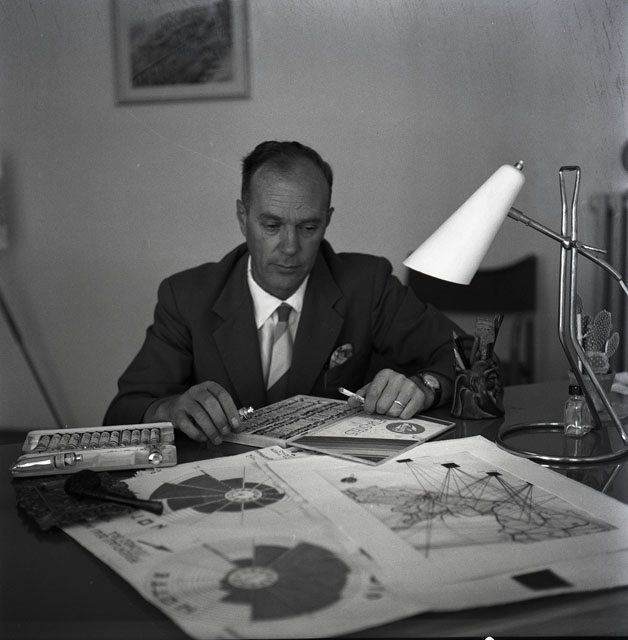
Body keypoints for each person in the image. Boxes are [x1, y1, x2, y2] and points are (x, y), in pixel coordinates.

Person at [104, 140, 459, 445]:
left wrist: (425, 385)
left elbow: (467, 357)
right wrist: (170, 409)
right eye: (272, 225)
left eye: (308, 227)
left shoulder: (368, 284)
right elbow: (123, 411)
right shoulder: (187, 296)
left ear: (327, 220)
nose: (290, 247)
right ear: (242, 217)